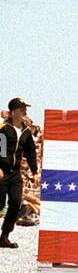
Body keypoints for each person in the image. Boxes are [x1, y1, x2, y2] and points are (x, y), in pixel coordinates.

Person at [0, 99, 38, 248]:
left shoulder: (26, 132)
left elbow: (30, 152)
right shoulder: (3, 129)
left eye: (25, 109)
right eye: (22, 109)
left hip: (15, 173)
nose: (25, 111)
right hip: (2, 171)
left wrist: (34, 171)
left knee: (16, 203)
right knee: (0, 202)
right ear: (14, 111)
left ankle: (4, 237)